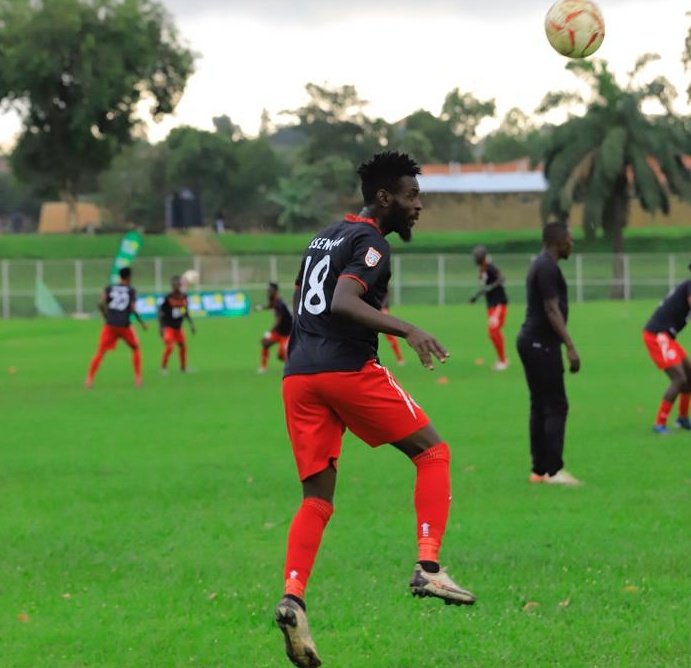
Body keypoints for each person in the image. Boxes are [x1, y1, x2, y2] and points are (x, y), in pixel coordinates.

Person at [275, 152, 475, 668]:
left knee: (316, 501)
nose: (418, 206)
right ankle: (429, 567)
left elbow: (302, 299)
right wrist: (408, 329)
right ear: (384, 198)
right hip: (346, 370)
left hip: (299, 377)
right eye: (411, 196)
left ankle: (293, 597)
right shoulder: (372, 243)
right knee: (433, 453)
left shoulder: (324, 236)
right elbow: (342, 301)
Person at [516, 222, 582, 486]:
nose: (572, 244)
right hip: (540, 343)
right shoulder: (547, 267)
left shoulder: (542, 264)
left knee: (540, 404)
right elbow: (551, 309)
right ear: (559, 241)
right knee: (556, 405)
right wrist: (570, 345)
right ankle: (554, 471)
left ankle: (539, 470)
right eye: (570, 239)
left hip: (533, 342)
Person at [642, 268, 691, 434]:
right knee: (679, 378)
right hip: (657, 334)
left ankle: (682, 418)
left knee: (689, 374)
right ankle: (659, 423)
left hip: (667, 336)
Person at [85, 267, 147, 388]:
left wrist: (106, 316)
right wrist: (141, 323)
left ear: (120, 276)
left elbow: (101, 303)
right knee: (135, 348)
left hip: (110, 325)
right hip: (124, 325)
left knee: (100, 352)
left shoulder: (109, 288)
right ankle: (138, 380)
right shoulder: (131, 290)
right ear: (129, 277)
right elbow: (133, 309)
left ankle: (89, 380)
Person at [470, 246, 509, 370]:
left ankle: (503, 361)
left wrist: (491, 287)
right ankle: (502, 359)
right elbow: (485, 288)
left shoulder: (491, 267)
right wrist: (476, 297)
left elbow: (502, 278)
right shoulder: (482, 270)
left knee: (493, 331)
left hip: (498, 304)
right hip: (491, 305)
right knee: (494, 332)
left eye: (476, 257)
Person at [159, 275, 196, 373]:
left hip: (178, 327)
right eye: (174, 285)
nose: (176, 287)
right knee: (170, 346)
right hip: (169, 327)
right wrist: (161, 327)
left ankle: (183, 368)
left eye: (178, 284)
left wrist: (191, 325)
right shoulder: (168, 298)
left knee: (183, 347)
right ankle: (163, 367)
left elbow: (184, 311)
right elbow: (161, 313)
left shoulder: (184, 297)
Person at [257, 282, 293, 374]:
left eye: (270, 290)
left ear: (275, 291)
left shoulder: (280, 303)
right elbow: (270, 306)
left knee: (281, 355)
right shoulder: (273, 300)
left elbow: (279, 321)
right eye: (268, 289)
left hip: (287, 333)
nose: (268, 291)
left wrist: (269, 332)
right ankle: (263, 367)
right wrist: (261, 308)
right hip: (278, 331)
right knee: (265, 343)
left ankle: (292, 367)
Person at [381, 290, 405, 365]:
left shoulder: (382, 285)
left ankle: (399, 358)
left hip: (382, 312)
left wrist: (383, 307)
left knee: (391, 337)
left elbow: (386, 294)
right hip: (369, 312)